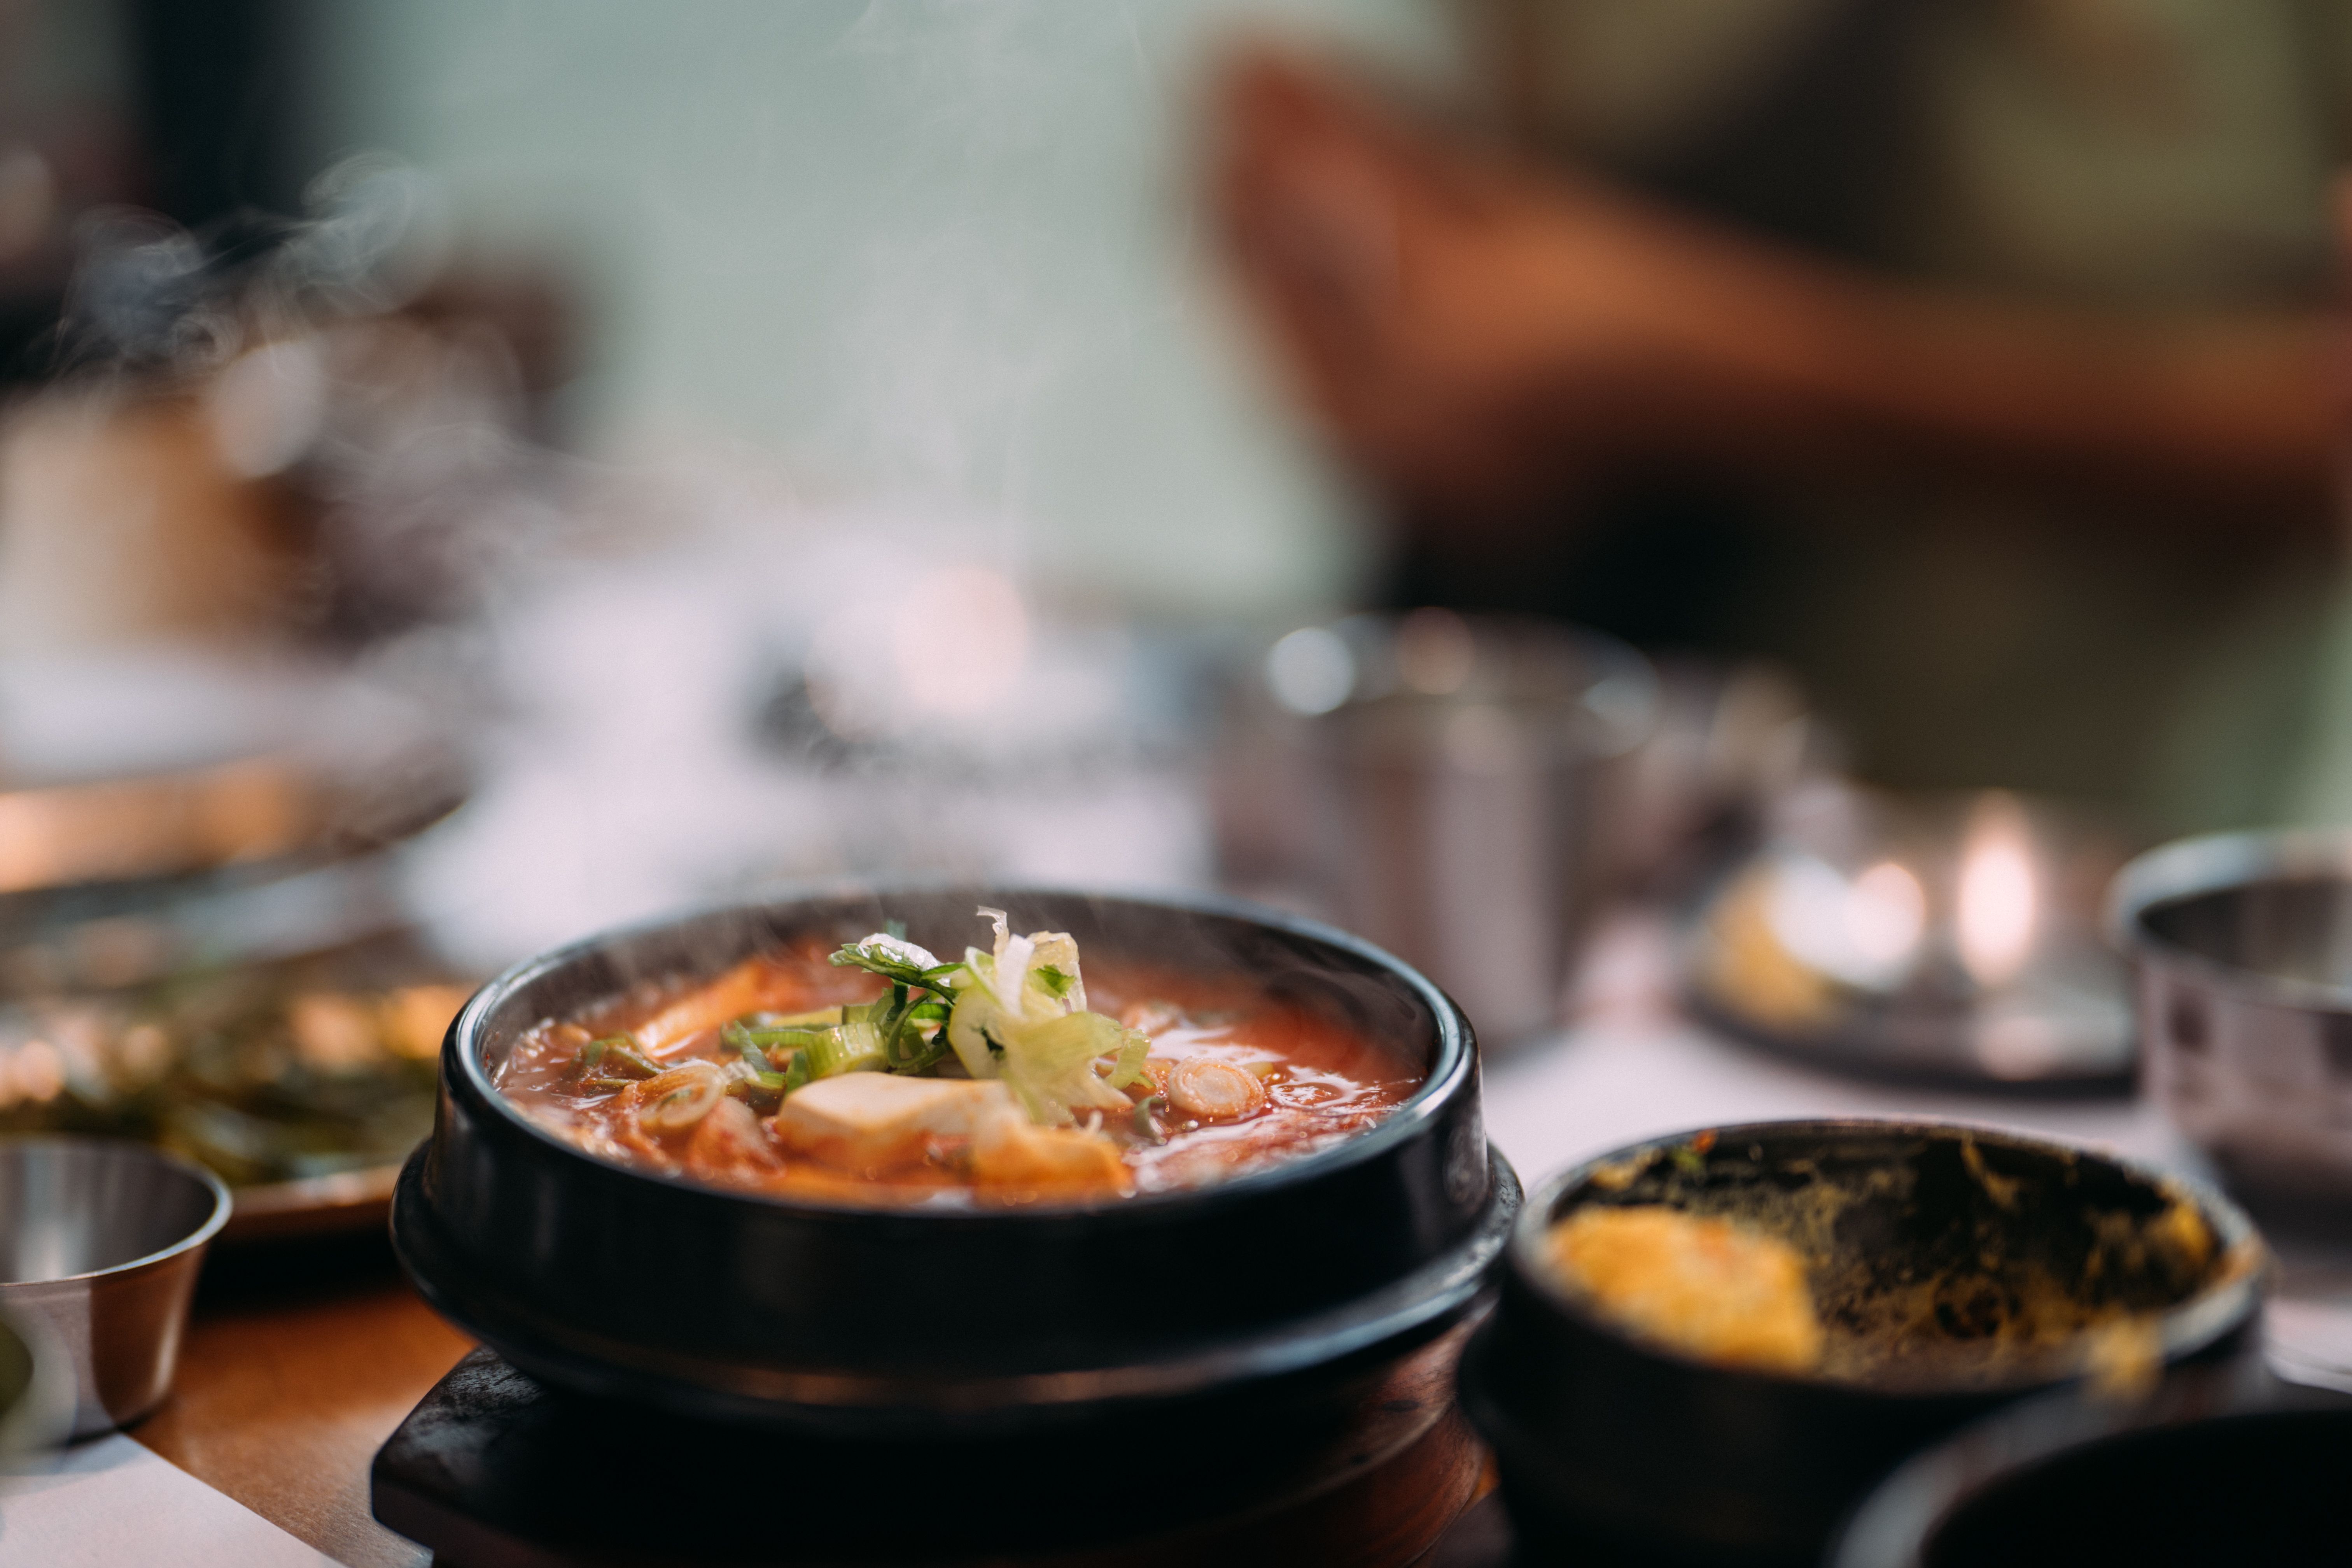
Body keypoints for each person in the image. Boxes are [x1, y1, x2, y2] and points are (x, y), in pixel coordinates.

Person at [1215, 3, 2352, 829]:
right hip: (1590, 802)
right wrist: (1379, 249)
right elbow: (1526, 153)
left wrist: (1756, 380)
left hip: (2059, 837)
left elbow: (2309, 423)